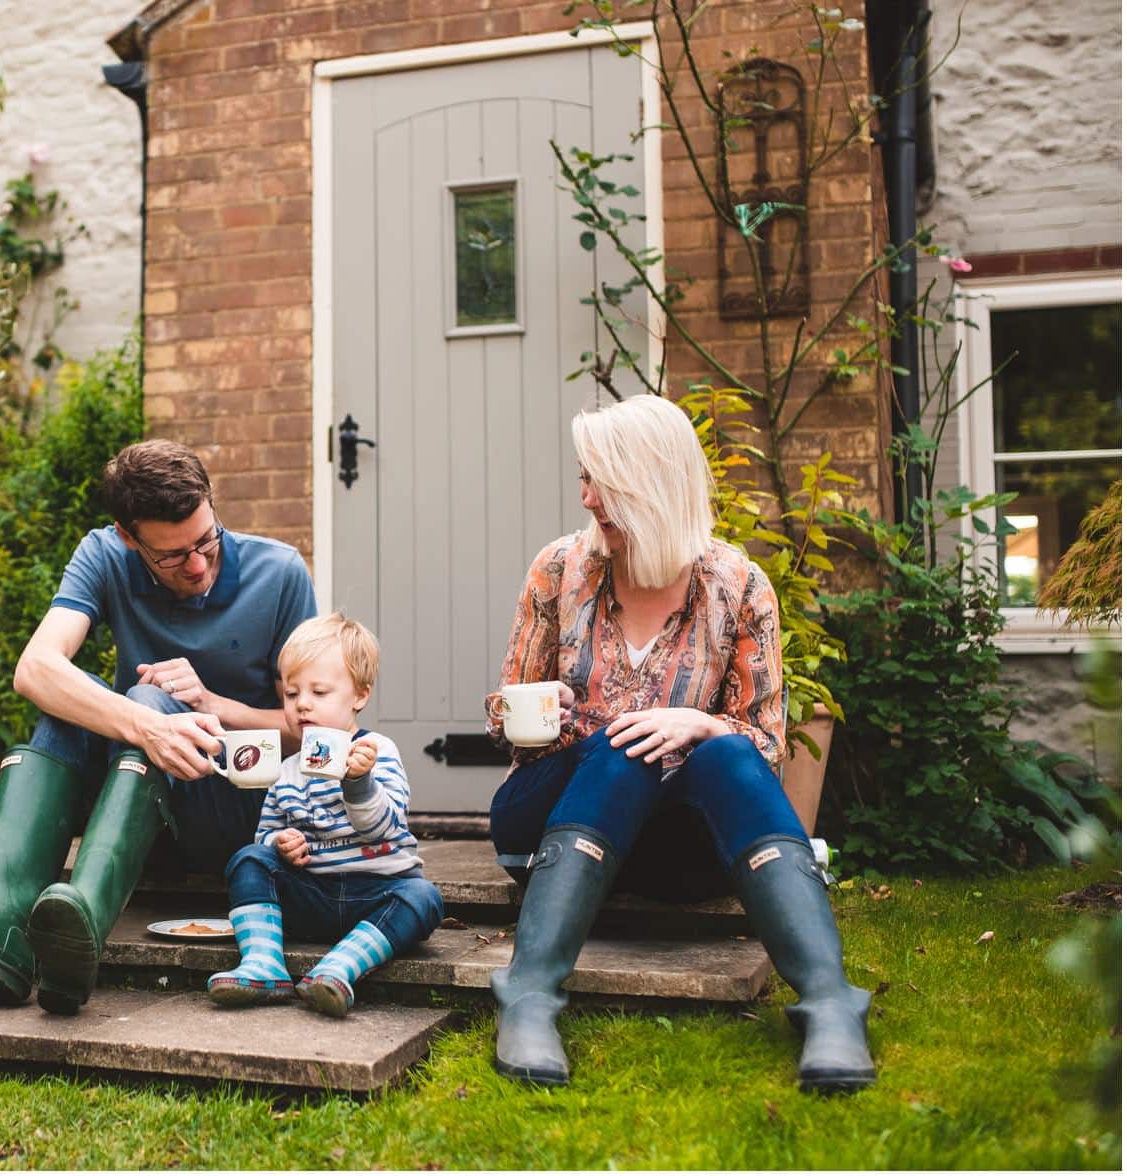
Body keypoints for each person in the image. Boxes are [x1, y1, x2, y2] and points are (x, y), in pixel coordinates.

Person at [483, 394, 874, 1094]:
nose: (586, 495)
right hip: (547, 825)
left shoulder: (739, 586)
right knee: (622, 745)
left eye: (600, 478)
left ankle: (830, 1003)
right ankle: (530, 995)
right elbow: (504, 709)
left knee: (726, 751)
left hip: (674, 856)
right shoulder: (559, 570)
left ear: (650, 483)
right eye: (583, 476)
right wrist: (546, 715)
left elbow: (768, 742)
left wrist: (702, 725)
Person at [0, 439, 318, 1015]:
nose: (197, 564)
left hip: (240, 818)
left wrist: (209, 704)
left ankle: (79, 925)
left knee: (147, 695)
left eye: (206, 539)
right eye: (171, 555)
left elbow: (315, 735)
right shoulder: (104, 554)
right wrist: (146, 722)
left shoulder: (279, 572)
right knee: (78, 701)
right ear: (127, 537)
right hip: (141, 815)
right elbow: (35, 669)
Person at [207, 613, 444, 1017]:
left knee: (423, 897)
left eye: (319, 692)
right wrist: (281, 845)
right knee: (248, 858)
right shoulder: (285, 768)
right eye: (291, 693)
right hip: (312, 895)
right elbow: (266, 833)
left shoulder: (375, 751)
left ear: (359, 696)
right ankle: (264, 965)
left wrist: (358, 782)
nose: (302, 704)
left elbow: (384, 829)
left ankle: (337, 970)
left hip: (375, 895)